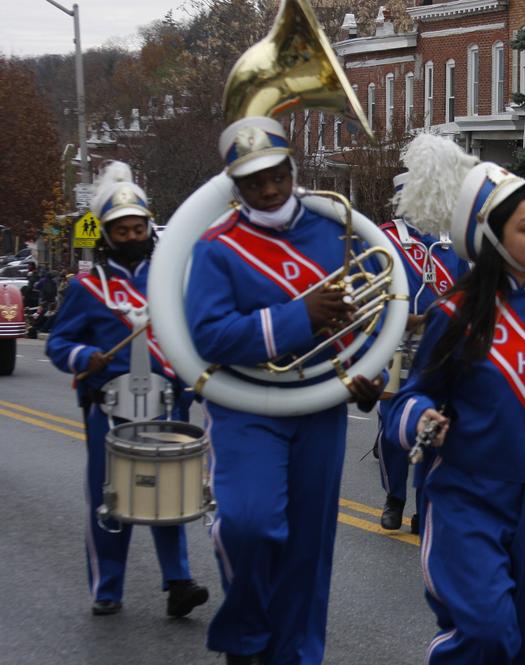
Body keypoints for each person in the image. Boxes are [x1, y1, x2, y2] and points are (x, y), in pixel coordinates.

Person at [386, 133, 525, 664]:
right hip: (469, 497)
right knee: (486, 633)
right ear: (491, 238)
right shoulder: (455, 315)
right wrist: (420, 418)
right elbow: (409, 398)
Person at [187, 116, 383, 665]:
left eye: (276, 175)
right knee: (248, 524)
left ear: (291, 168)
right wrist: (298, 316)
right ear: (235, 186)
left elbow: (366, 323)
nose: (269, 190)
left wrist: (372, 378)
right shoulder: (216, 248)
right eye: (254, 182)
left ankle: (294, 656)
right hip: (245, 405)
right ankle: (246, 634)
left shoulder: (332, 231)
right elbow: (208, 335)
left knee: (307, 549)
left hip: (319, 403)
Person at [45, 161, 208, 617]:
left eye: (139, 228)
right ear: (106, 235)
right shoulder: (87, 288)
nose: (133, 237)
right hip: (109, 408)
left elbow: (190, 341)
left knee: (168, 492)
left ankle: (178, 581)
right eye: (123, 231)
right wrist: (83, 358)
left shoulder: (168, 283)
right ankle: (107, 588)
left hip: (164, 405)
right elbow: (59, 342)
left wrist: (188, 388)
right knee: (109, 497)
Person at [377, 171, 469, 531]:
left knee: (434, 426)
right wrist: (404, 319)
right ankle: (394, 495)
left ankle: (423, 504)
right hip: (396, 344)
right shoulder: (385, 241)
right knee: (392, 428)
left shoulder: (452, 245)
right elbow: (370, 292)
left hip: (441, 346)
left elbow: (466, 293)